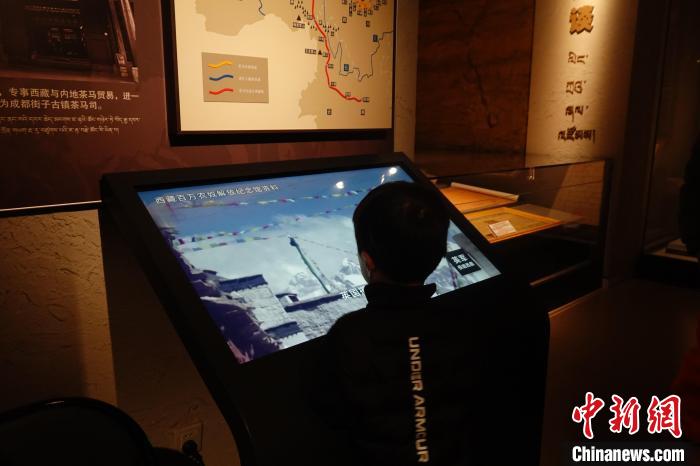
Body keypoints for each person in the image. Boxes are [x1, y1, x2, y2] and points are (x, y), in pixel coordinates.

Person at [310, 181, 549, 466]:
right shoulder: (463, 326)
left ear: (367, 261)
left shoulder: (348, 335)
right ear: (437, 255)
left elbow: (327, 410)